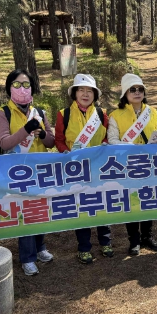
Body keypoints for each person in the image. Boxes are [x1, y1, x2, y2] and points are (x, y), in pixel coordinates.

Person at [0, 69, 55, 276]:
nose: (22, 88)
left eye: (26, 84)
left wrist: (42, 133)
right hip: (18, 173)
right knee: (25, 213)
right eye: (17, 84)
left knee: (40, 209)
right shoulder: (3, 112)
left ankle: (40, 247)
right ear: (9, 88)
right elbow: (4, 142)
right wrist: (26, 129)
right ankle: (27, 257)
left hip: (40, 170)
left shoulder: (39, 112)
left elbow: (51, 142)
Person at [55, 73, 113, 264]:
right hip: (75, 168)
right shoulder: (64, 114)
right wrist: (66, 153)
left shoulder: (101, 114)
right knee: (81, 206)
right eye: (81, 90)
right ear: (75, 93)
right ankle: (84, 247)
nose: (85, 94)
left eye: (90, 91)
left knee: (102, 203)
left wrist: (104, 145)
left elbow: (107, 136)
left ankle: (106, 241)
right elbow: (59, 140)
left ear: (95, 95)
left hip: (98, 167)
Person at [108, 73, 157, 256]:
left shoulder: (153, 112)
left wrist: (156, 144)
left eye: (140, 89)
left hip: (149, 164)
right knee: (131, 201)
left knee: (148, 199)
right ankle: (134, 240)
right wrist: (133, 148)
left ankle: (147, 236)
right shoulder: (116, 115)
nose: (137, 92)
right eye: (132, 89)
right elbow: (112, 140)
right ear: (125, 93)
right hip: (127, 165)